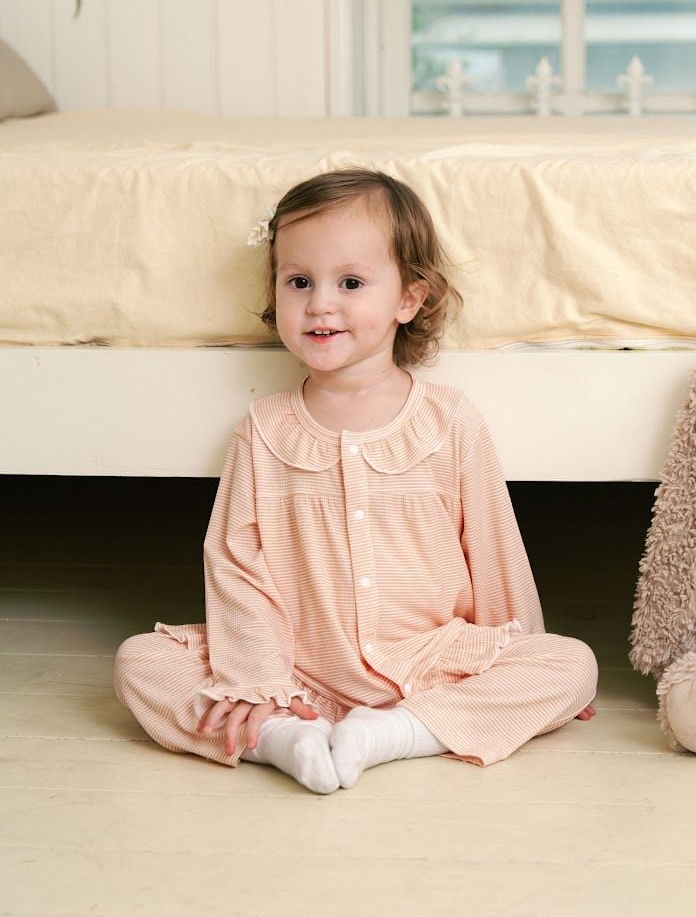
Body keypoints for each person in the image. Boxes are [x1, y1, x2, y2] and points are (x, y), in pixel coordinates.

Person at [114, 168, 598, 794]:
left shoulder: (448, 420)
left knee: (571, 664)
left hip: (429, 664)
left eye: (350, 283)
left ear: (409, 299)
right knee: (140, 662)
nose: (320, 303)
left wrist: (521, 662)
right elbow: (235, 564)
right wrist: (258, 679)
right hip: (297, 670)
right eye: (299, 281)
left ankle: (393, 733)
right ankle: (280, 737)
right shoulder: (264, 429)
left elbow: (493, 545)